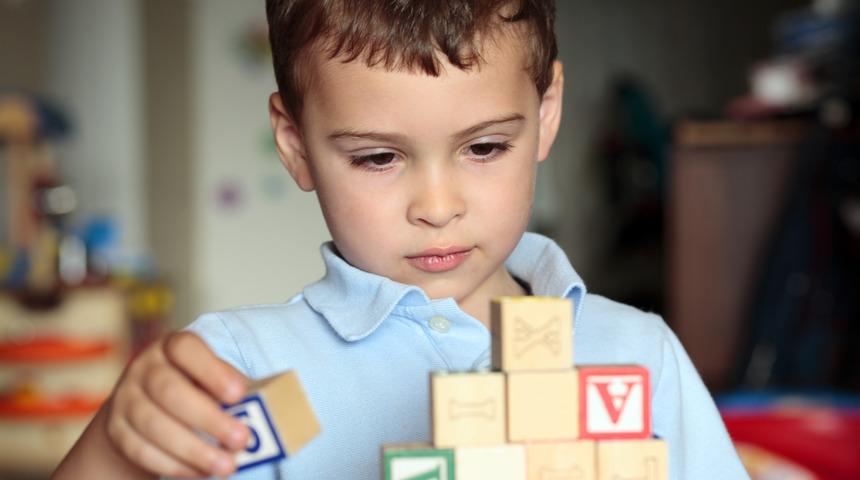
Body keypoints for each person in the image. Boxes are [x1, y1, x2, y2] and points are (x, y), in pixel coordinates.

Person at [53, 0, 749, 478]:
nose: (438, 207)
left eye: (483, 147)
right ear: (294, 146)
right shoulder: (234, 370)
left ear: (546, 114)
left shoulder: (639, 356)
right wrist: (122, 442)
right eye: (378, 158)